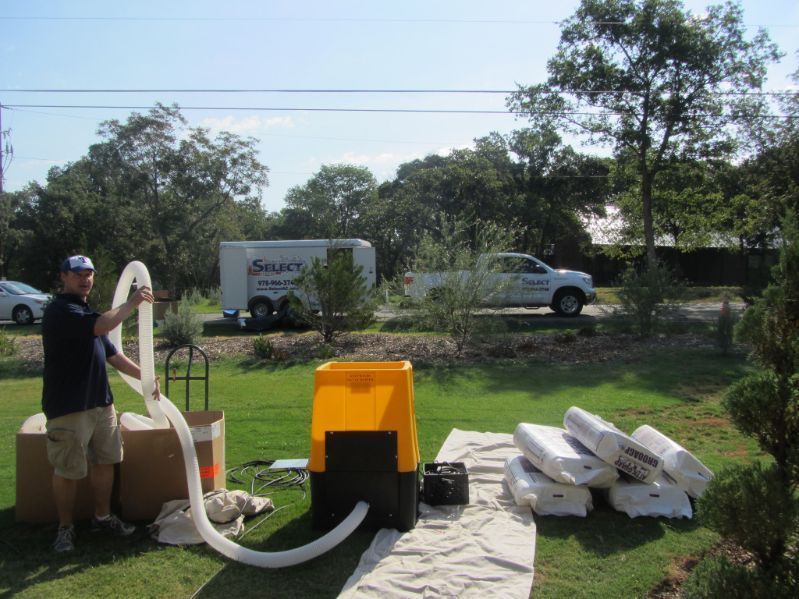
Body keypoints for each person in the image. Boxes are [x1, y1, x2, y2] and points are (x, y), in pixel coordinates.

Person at [42, 255, 160, 553]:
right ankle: (65, 528)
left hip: (100, 403)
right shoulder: (61, 311)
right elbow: (101, 327)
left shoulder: (86, 312)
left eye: (90, 274)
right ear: (64, 277)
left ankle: (103, 517)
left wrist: (146, 377)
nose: (86, 279)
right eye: (79, 273)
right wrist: (132, 303)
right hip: (69, 406)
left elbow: (111, 354)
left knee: (106, 461)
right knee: (68, 469)